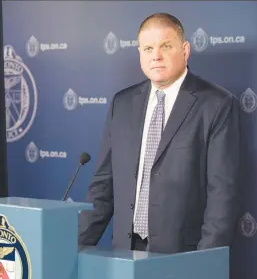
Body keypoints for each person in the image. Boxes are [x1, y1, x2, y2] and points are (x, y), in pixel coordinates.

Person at [78, 13, 241, 254]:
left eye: (166, 46)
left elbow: (222, 197)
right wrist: (70, 247)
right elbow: (103, 184)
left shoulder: (217, 104)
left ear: (185, 50)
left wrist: (204, 263)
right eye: (148, 48)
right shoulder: (121, 103)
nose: (156, 56)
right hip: (126, 252)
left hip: (183, 255)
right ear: (140, 54)